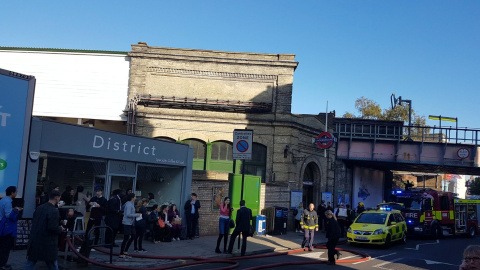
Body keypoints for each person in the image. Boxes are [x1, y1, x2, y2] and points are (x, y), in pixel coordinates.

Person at [25, 190, 64, 270]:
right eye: (59, 197)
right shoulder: (54, 211)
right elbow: (52, 227)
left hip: (35, 239)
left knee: (31, 262)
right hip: (47, 242)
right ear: (57, 198)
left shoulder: (39, 207)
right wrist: (60, 228)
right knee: (52, 263)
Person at [0, 186, 22, 270]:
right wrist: (16, 210)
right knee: (6, 246)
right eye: (16, 192)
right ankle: (2, 264)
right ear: (12, 193)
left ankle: (2, 263)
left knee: (2, 245)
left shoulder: (3, 200)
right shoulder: (8, 202)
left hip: (2, 225)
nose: (16, 193)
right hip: (6, 227)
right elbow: (9, 215)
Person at [119, 193, 140, 258]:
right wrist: (136, 215)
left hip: (131, 223)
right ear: (132, 198)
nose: (135, 197)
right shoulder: (128, 204)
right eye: (135, 196)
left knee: (133, 236)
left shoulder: (130, 204)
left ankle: (125, 250)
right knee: (126, 238)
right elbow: (128, 214)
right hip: (127, 223)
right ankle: (121, 252)